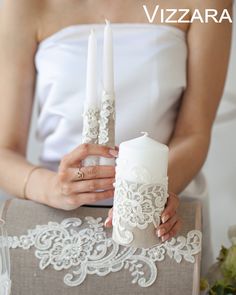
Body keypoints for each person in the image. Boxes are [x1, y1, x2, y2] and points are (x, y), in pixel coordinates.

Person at [0, 0, 233, 274]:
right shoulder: (23, 5)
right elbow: (5, 150)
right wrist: (51, 187)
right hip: (57, 221)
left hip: (159, 219)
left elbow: (194, 131)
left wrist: (149, 191)